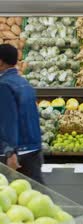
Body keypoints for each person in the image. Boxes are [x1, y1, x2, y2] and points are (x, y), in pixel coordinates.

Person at [0, 44, 43, 184]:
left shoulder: (4, 85)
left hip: (17, 154)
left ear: (1, 62)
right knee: (37, 195)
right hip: (33, 149)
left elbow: (8, 121)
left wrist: (9, 152)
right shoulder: (24, 83)